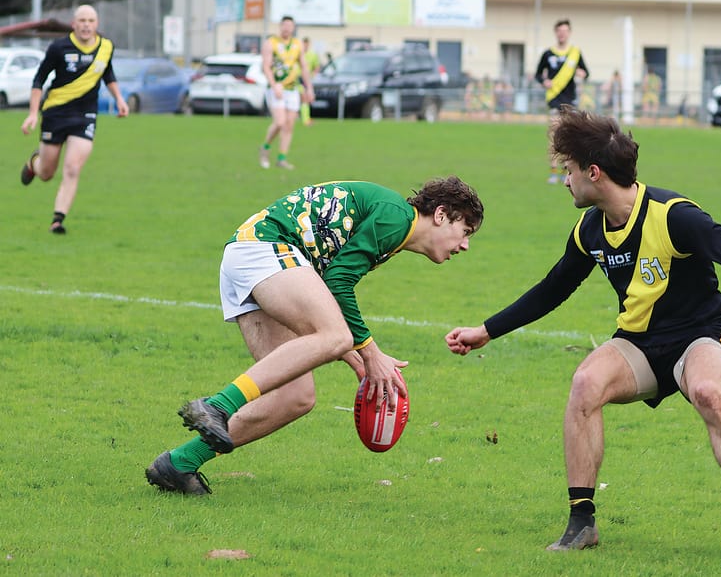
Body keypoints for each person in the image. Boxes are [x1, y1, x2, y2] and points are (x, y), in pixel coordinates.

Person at [446, 108, 721, 554]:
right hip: (639, 344)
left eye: (568, 171)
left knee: (706, 390)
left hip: (699, 336)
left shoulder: (675, 216)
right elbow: (553, 289)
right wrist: (486, 331)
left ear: (593, 172)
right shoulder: (590, 229)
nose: (565, 181)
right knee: (585, 383)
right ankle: (581, 524)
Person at [146, 177, 484, 495]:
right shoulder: (397, 218)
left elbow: (323, 299)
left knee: (296, 396)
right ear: (441, 215)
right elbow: (338, 283)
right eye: (465, 231)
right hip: (267, 248)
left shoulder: (394, 228)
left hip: (253, 257)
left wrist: (356, 356)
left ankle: (179, 464)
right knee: (336, 336)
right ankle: (217, 405)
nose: (466, 245)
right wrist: (369, 352)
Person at [19, 4, 129, 234]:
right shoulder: (59, 48)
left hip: (85, 115)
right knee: (47, 173)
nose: (86, 25)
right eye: (82, 21)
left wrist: (119, 98)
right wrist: (32, 113)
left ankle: (57, 220)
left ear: (96, 24)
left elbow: (107, 73)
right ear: (74, 24)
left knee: (72, 168)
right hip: (55, 113)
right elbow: (39, 80)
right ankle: (34, 164)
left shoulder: (106, 47)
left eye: (91, 21)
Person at [534, 19, 588, 185]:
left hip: (570, 100)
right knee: (554, 134)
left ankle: (568, 170)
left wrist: (582, 73)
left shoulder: (575, 52)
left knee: (570, 136)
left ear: (569, 33)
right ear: (556, 33)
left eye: (565, 31)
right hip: (554, 100)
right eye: (559, 31)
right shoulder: (548, 54)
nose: (562, 34)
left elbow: (586, 72)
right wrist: (544, 81)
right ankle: (553, 172)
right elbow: (538, 74)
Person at [258, 15, 313, 170]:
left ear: (293, 28)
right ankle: (265, 147)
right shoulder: (271, 43)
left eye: (290, 25)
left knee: (289, 125)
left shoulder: (297, 44)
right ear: (280, 26)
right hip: (277, 88)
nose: (287, 28)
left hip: (292, 89)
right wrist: (274, 85)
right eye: (285, 25)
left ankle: (282, 158)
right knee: (280, 122)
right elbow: (266, 66)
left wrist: (309, 87)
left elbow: (303, 67)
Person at [299, 37, 321, 126]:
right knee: (303, 98)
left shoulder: (312, 54)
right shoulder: (298, 53)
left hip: (306, 79)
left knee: (305, 98)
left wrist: (313, 75)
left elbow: (316, 67)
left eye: (307, 44)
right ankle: (303, 118)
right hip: (297, 79)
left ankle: (305, 119)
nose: (305, 46)